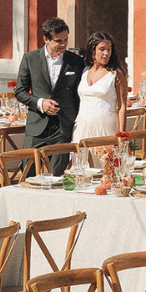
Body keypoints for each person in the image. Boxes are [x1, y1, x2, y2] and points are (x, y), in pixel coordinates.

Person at [14, 17, 86, 176]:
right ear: (46, 39)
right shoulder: (30, 58)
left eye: (66, 39)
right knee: (28, 173)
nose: (64, 44)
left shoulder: (76, 61)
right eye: (58, 40)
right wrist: (40, 102)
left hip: (62, 127)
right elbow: (20, 91)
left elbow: (80, 93)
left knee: (57, 176)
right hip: (37, 126)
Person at [71, 31, 127, 142]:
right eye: (102, 49)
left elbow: (122, 106)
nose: (106, 53)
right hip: (82, 127)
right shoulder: (84, 71)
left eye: (109, 49)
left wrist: (122, 135)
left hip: (106, 127)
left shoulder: (116, 74)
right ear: (93, 51)